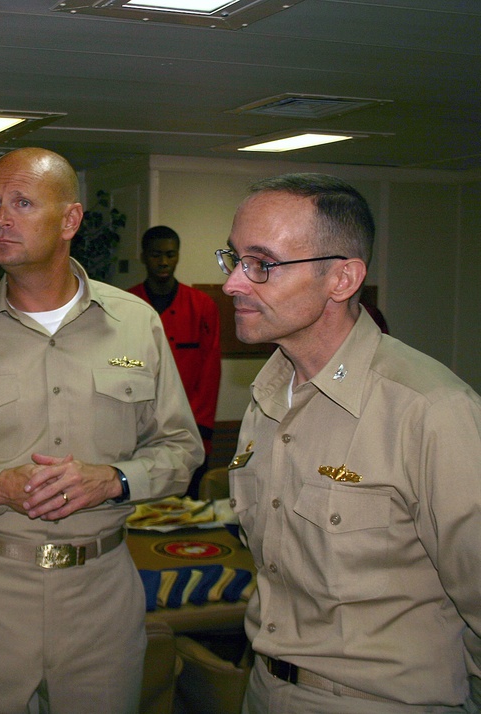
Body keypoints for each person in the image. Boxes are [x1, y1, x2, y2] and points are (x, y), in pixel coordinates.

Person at [0, 147, 203, 713]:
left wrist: (114, 480)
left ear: (70, 220)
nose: (0, 218)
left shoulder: (135, 324)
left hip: (100, 594)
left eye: (22, 203)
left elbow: (181, 449)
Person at [218, 173, 481, 713]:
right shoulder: (269, 394)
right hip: (265, 689)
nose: (232, 284)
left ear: (342, 279)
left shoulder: (429, 410)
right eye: (234, 258)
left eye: (261, 264)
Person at [128, 225, 221, 498]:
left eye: (170, 254)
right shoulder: (127, 305)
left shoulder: (202, 306)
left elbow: (210, 370)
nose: (164, 262)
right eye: (156, 255)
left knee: (189, 507)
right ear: (144, 256)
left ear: (178, 255)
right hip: (138, 428)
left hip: (190, 427)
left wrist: (201, 428)